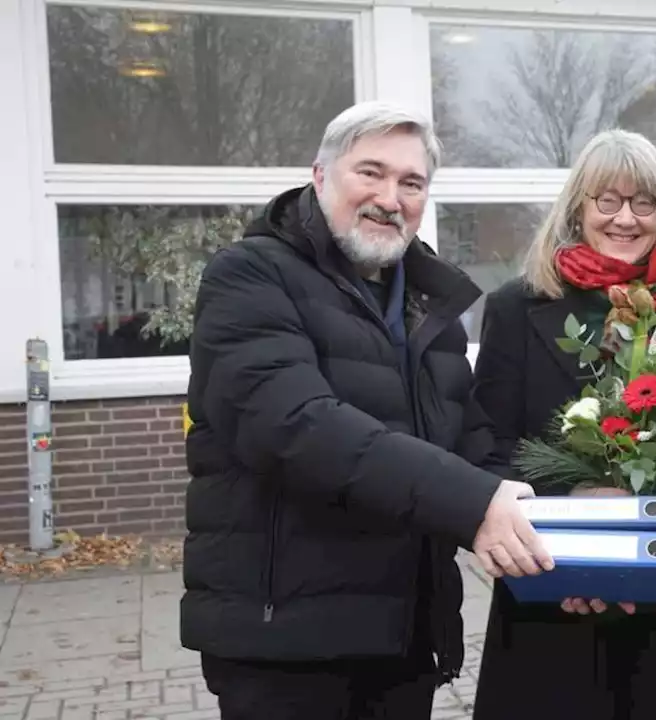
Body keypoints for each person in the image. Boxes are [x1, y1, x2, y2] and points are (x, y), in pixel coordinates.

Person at [182, 100, 553, 720]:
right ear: (321, 175)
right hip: (288, 645)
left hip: (400, 637)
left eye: (412, 183)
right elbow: (297, 427)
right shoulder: (248, 277)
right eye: (370, 173)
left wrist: (582, 509)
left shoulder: (426, 305)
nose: (391, 197)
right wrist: (476, 504)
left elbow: (471, 441)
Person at [470, 129, 656, 720]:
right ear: (578, 209)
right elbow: (489, 445)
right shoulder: (516, 307)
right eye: (607, 200)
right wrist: (574, 503)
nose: (625, 218)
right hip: (552, 591)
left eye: (644, 202)